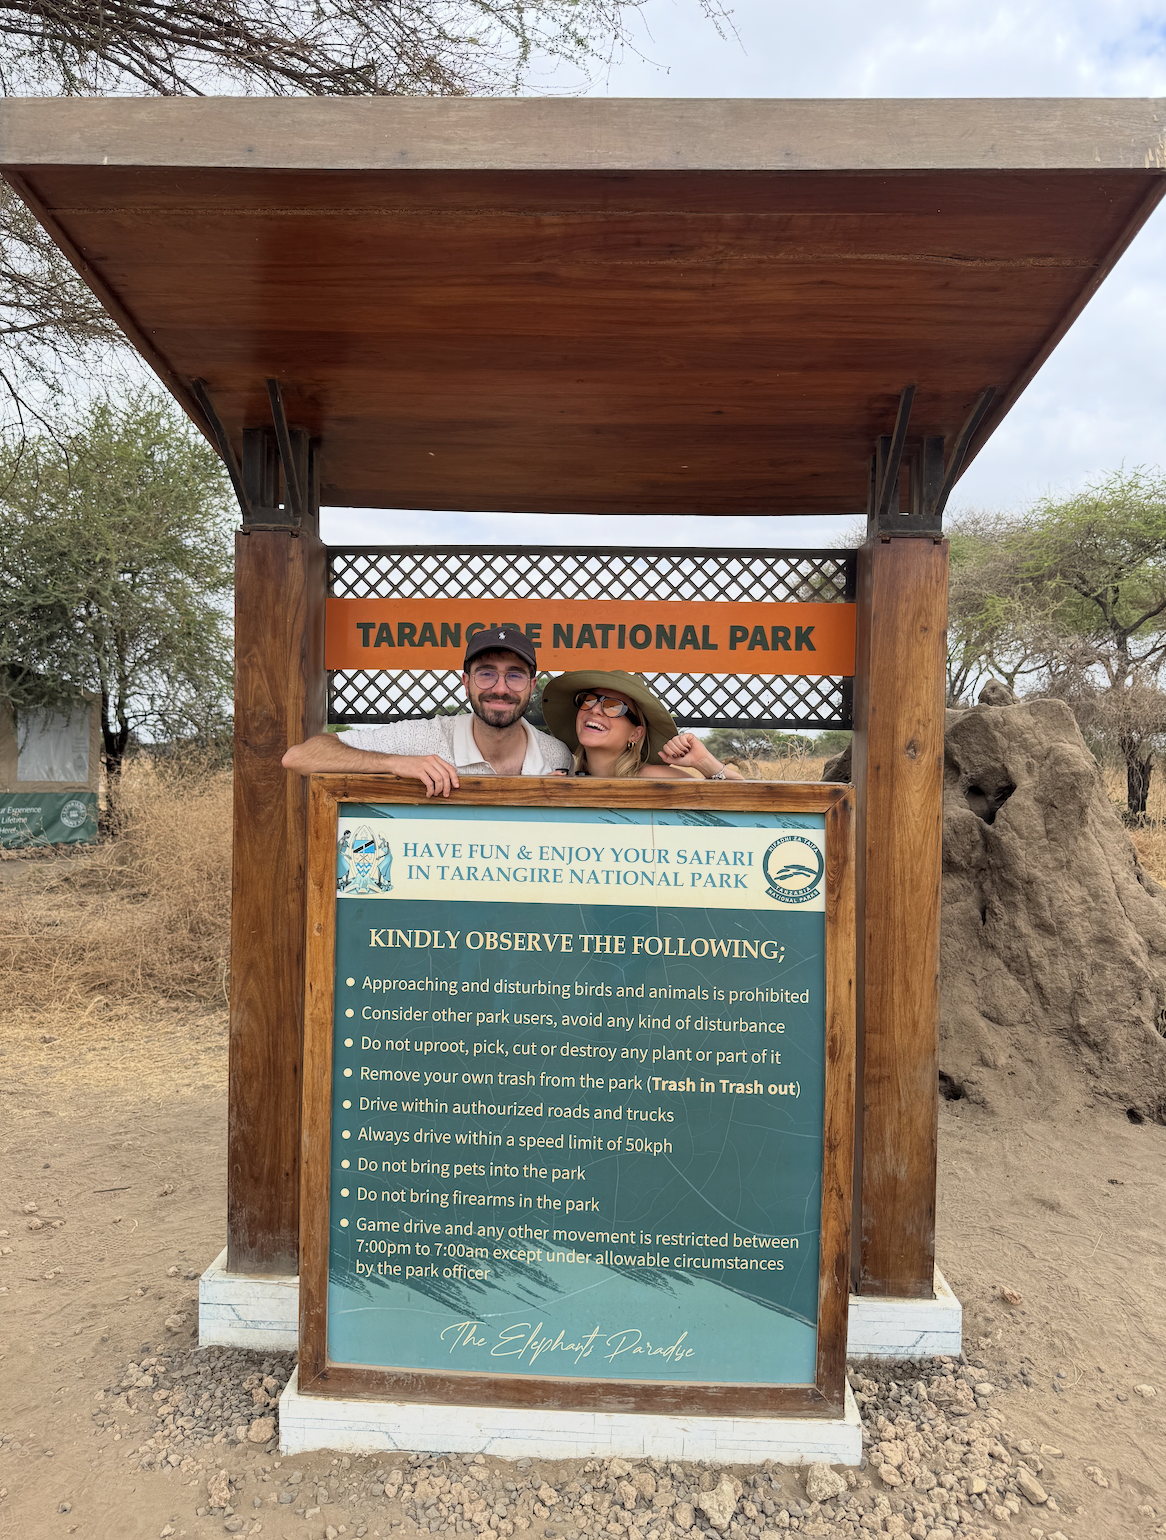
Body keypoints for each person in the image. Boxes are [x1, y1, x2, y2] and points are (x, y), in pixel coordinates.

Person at [281, 625, 571, 795]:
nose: (501, 688)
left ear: (532, 686)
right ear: (466, 682)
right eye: (486, 674)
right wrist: (395, 763)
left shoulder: (558, 756)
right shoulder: (422, 738)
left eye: (515, 675)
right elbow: (299, 757)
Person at [541, 670, 744, 781]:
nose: (594, 709)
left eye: (613, 706)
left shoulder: (653, 778)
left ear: (636, 734)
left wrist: (703, 762)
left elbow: (740, 797)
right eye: (589, 700)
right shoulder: (563, 776)